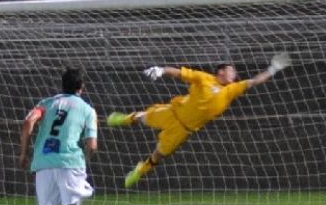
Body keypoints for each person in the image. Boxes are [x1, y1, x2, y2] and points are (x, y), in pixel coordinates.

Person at [107, 53, 291, 187]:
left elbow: (254, 81)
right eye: (231, 70)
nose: (234, 74)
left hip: (183, 129)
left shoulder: (231, 90)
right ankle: (124, 119)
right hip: (173, 112)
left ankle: (139, 171)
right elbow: (180, 73)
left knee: (159, 154)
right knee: (143, 118)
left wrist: (273, 69)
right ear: (221, 71)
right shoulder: (205, 79)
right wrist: (161, 70)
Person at [19, 68, 98, 205]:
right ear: (82, 87)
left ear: (62, 85)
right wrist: (85, 158)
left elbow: (28, 121)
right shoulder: (88, 110)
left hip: (43, 162)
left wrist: (23, 153)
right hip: (70, 163)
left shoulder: (47, 103)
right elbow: (92, 145)